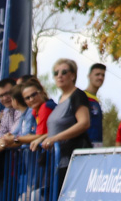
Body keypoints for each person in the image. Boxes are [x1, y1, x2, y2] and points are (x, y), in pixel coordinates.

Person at [31, 59, 92, 190]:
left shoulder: (78, 95)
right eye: (56, 73)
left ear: (73, 75)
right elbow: (58, 129)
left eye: (64, 72)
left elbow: (84, 123)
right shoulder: (61, 98)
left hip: (73, 160)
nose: (59, 75)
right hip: (58, 160)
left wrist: (55, 138)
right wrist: (42, 138)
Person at [0, 78, 21, 152]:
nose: (5, 98)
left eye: (8, 93)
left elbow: (14, 136)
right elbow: (0, 135)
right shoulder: (6, 112)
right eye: (1, 96)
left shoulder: (22, 110)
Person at [84, 63, 105, 147]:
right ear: (89, 76)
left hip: (97, 145)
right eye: (97, 74)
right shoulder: (82, 97)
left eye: (103, 75)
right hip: (85, 146)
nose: (100, 77)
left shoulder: (96, 100)